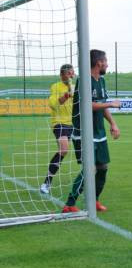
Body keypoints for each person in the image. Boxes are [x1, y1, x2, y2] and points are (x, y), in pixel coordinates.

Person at [62, 50, 121, 213]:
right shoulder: (83, 81)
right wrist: (110, 105)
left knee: (103, 167)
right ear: (99, 63)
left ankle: (94, 200)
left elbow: (102, 104)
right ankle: (69, 204)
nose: (107, 64)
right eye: (106, 61)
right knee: (90, 168)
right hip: (83, 132)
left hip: (99, 133)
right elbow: (87, 105)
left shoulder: (101, 81)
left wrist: (113, 123)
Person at [40, 64, 76, 194]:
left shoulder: (76, 87)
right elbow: (54, 105)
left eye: (73, 73)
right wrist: (67, 95)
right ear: (62, 75)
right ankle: (46, 183)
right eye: (69, 73)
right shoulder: (55, 87)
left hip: (74, 124)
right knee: (64, 149)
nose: (72, 75)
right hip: (59, 123)